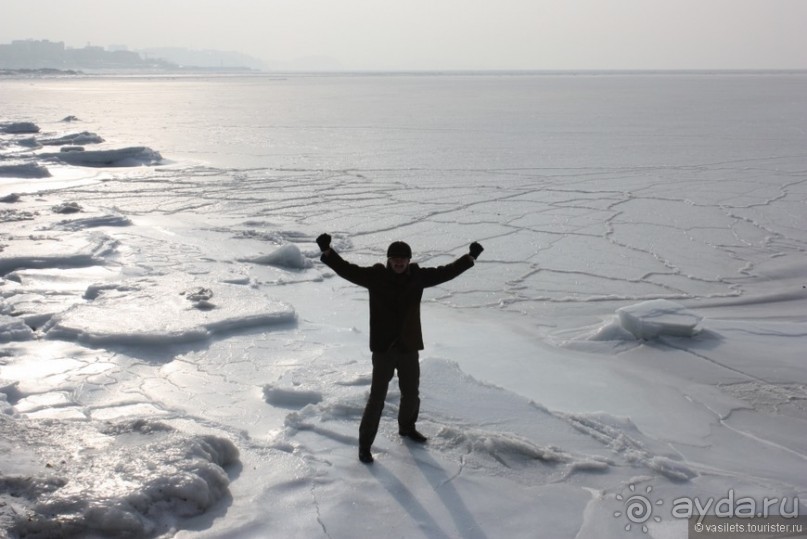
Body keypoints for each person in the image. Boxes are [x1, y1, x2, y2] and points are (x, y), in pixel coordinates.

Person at [317, 234, 484, 464]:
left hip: (408, 346)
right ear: (388, 260)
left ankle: (407, 427)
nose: (399, 262)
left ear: (408, 260)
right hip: (383, 349)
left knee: (411, 393)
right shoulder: (376, 276)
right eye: (395, 259)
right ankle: (365, 445)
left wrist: (469, 258)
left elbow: (446, 272)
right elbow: (348, 270)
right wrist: (328, 252)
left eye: (403, 259)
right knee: (377, 398)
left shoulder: (417, 277)